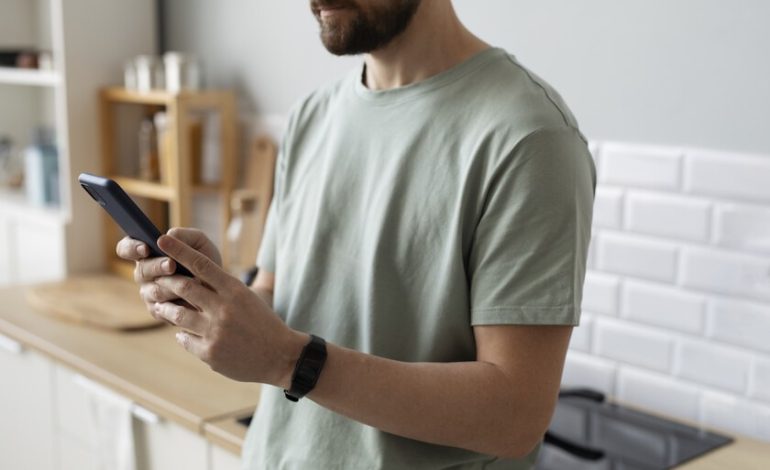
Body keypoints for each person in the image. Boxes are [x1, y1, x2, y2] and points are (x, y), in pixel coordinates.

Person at [117, 0, 595, 468]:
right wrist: (213, 298)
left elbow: (514, 417)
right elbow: (275, 294)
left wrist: (291, 361)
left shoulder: (528, 137)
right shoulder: (312, 117)